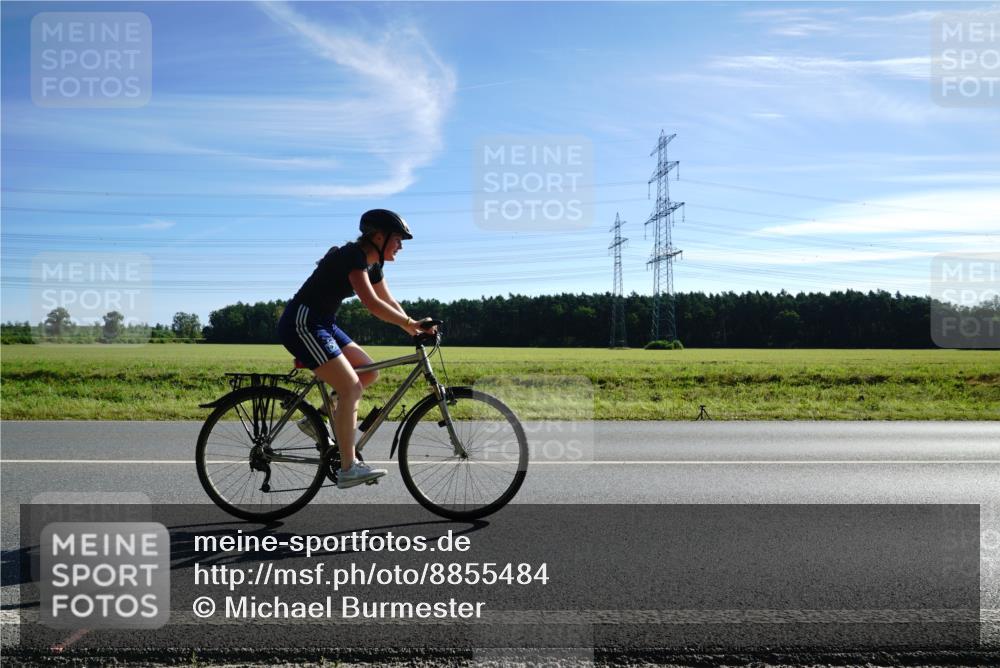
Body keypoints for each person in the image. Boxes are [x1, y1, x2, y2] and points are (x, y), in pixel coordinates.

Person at [277, 209, 436, 489]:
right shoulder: (353, 256)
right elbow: (372, 304)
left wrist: (413, 327)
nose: (400, 246)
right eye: (398, 239)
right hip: (302, 323)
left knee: (368, 372)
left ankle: (316, 419)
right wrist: (410, 324)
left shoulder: (373, 265)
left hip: (323, 323)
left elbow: (388, 301)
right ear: (379, 237)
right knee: (351, 387)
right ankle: (348, 468)